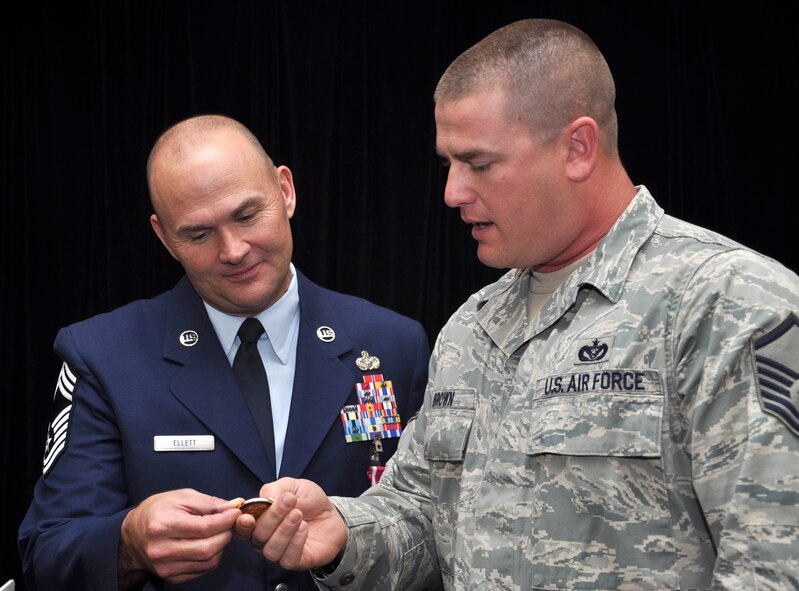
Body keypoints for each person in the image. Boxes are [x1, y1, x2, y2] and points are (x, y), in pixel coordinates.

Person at [235, 18, 799, 590]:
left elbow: (774, 564)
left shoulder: (728, 304)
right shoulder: (473, 328)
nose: (452, 193)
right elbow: (423, 515)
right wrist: (344, 533)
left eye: (478, 163)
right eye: (448, 164)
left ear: (577, 148)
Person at [17, 114, 430, 590]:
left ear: (286, 191)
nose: (233, 250)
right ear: (164, 237)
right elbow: (45, 553)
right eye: (198, 234)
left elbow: (433, 531)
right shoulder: (105, 356)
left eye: (247, 215)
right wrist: (129, 542)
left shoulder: (391, 345)